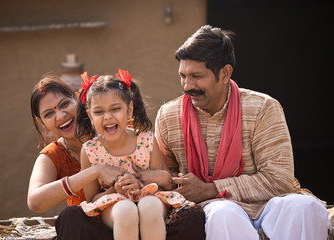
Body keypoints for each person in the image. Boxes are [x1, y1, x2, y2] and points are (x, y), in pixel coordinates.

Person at [154, 25, 331, 240]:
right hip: (216, 208)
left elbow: (279, 179)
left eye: (197, 76)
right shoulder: (169, 116)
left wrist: (211, 188)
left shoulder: (262, 108)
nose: (187, 85)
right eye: (183, 75)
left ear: (225, 73)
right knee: (223, 213)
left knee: (304, 206)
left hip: (269, 205)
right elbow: (164, 174)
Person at [29, 75, 205, 240]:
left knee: (181, 213)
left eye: (64, 104)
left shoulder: (138, 136)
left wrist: (139, 177)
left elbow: (167, 180)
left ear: (77, 100)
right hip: (105, 219)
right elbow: (36, 202)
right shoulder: (82, 151)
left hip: (150, 210)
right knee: (78, 215)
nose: (60, 116)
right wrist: (96, 172)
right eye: (49, 114)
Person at [75, 70, 189, 240]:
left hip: (150, 197)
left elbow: (168, 182)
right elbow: (92, 199)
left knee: (149, 205)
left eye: (115, 109)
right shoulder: (90, 150)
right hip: (113, 205)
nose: (107, 116)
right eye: (98, 112)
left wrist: (141, 178)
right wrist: (116, 189)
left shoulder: (147, 140)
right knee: (125, 209)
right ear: (90, 115)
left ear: (129, 110)